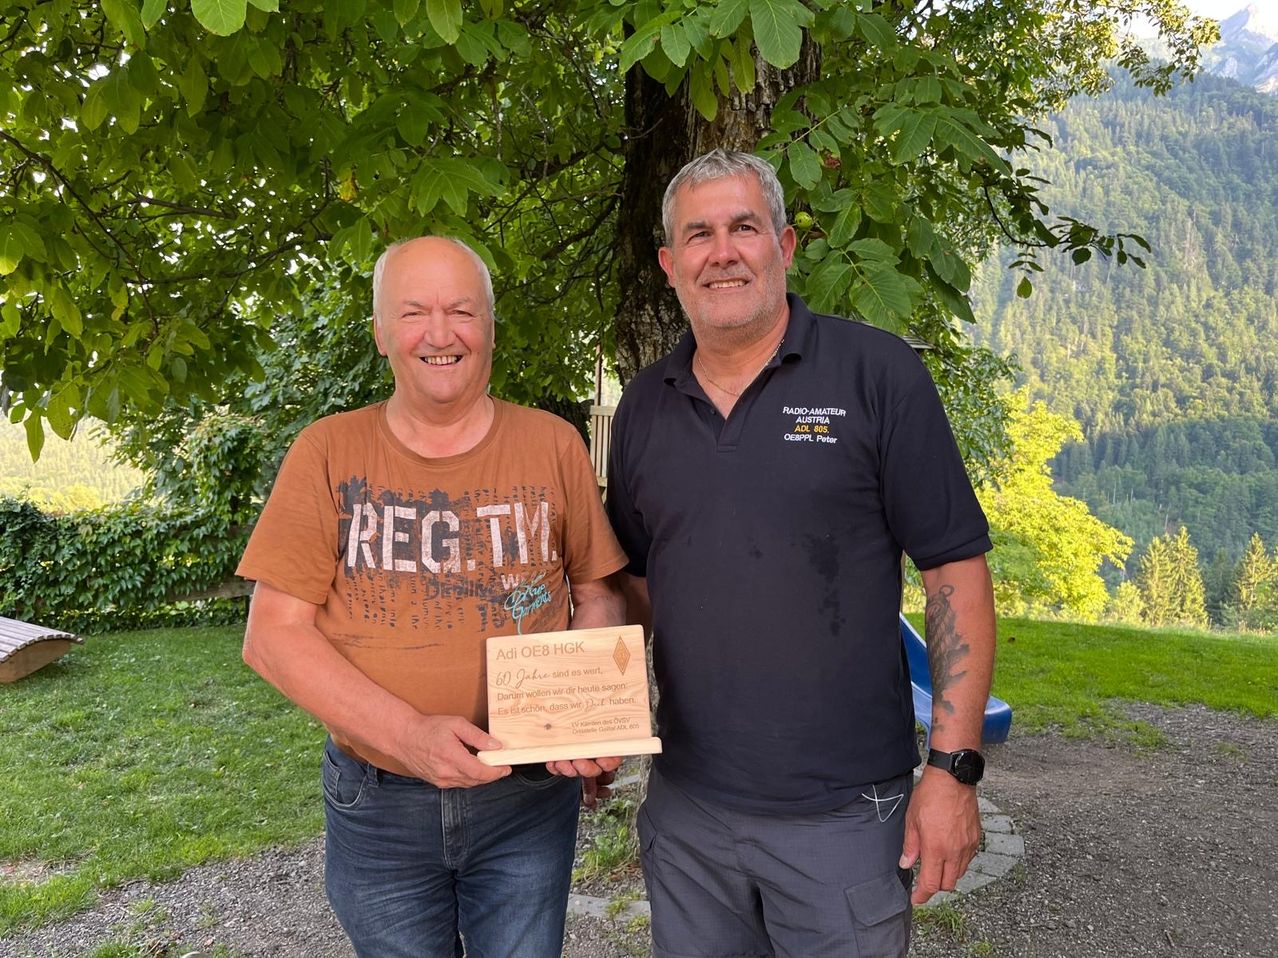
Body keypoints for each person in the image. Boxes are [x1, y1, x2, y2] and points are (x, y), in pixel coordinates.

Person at [605, 149, 997, 957]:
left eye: (744, 227)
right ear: (670, 264)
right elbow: (635, 587)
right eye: (699, 235)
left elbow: (954, 571)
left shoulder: (878, 375)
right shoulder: (643, 406)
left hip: (847, 818)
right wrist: (582, 714)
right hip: (687, 814)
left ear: (783, 247)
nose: (723, 252)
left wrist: (952, 771)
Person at [237, 236, 628, 958]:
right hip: (378, 801)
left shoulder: (554, 444)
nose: (441, 334)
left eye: (462, 312)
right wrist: (408, 738)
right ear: (383, 330)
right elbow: (273, 635)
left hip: (527, 798)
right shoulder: (327, 452)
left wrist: (588, 715)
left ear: (490, 328)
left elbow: (594, 591)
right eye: (415, 312)